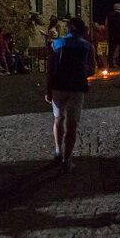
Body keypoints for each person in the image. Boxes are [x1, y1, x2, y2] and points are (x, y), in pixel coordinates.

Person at [46, 17, 95, 173]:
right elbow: (92, 70)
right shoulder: (87, 46)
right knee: (72, 124)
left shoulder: (56, 44)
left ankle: (58, 151)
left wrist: (48, 90)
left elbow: (50, 69)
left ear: (68, 29)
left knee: (58, 119)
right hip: (76, 88)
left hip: (58, 87)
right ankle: (67, 160)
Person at [106, 3, 120, 68]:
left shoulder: (109, 15)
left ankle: (111, 63)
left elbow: (106, 25)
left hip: (112, 34)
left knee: (111, 50)